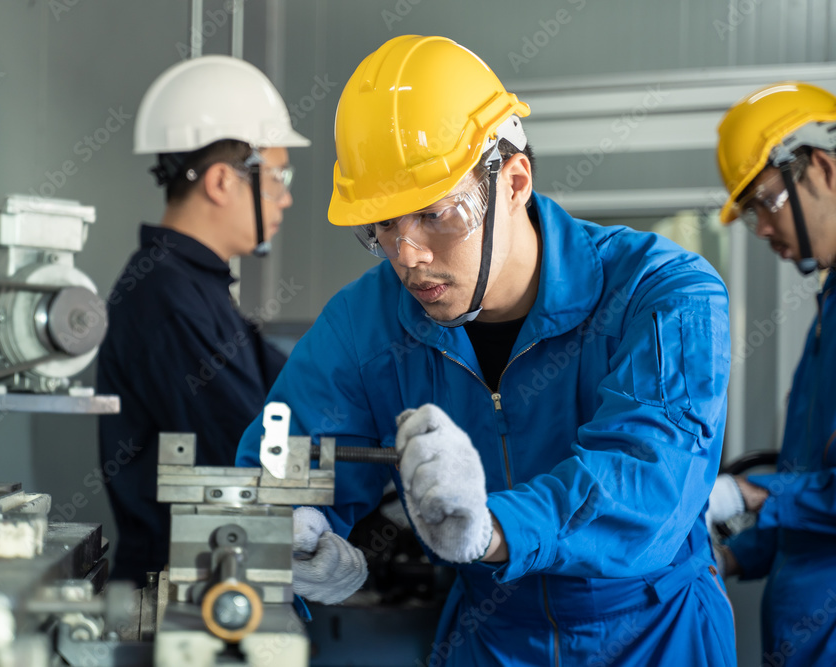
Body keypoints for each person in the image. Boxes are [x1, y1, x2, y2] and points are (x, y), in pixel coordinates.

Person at [235, 35, 736, 665]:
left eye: (435, 214)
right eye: (383, 227)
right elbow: (283, 459)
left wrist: (494, 527)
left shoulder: (663, 293)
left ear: (515, 180)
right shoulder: (365, 324)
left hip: (656, 635)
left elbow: (651, 481)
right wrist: (293, 533)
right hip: (491, 637)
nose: (408, 256)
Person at [97, 55, 309, 586]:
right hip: (181, 592)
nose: (285, 196)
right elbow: (248, 446)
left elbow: (290, 385)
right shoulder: (168, 298)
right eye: (278, 175)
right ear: (220, 182)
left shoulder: (195, 286)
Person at [713, 81, 836, 667]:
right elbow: (813, 497)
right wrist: (731, 557)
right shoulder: (828, 309)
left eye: (765, 200)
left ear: (822, 169)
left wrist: (751, 493)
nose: (760, 228)